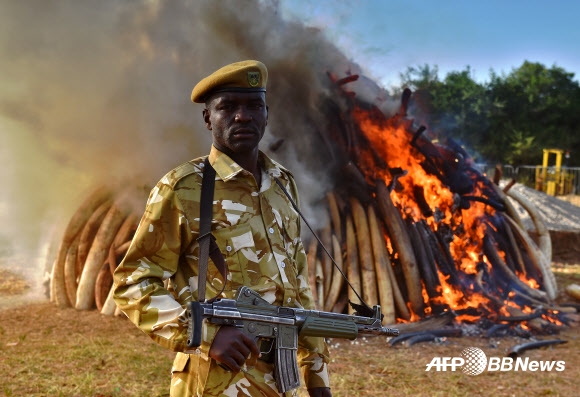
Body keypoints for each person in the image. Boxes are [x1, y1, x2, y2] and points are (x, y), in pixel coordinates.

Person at [113, 60, 332, 397]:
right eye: (227, 107)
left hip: (282, 385)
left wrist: (318, 380)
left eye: (253, 106)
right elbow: (133, 281)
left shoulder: (282, 185)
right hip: (215, 383)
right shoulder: (183, 189)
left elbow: (298, 290)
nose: (242, 116)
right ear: (207, 119)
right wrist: (204, 334)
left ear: (266, 114)